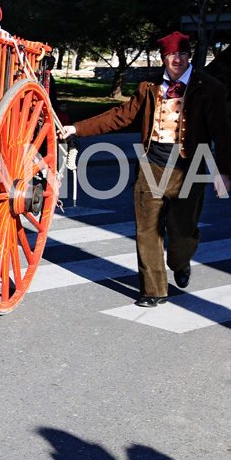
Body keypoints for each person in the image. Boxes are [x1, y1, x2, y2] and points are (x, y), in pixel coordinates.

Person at [58, 31, 231, 307]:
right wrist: (77, 127)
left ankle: (181, 262)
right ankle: (154, 290)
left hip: (190, 167)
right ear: (164, 57)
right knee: (147, 229)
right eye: (172, 54)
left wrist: (223, 172)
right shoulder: (149, 86)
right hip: (152, 164)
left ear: (190, 56)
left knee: (183, 231)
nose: (178, 59)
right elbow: (120, 116)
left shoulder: (208, 87)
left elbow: (222, 133)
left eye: (183, 53)